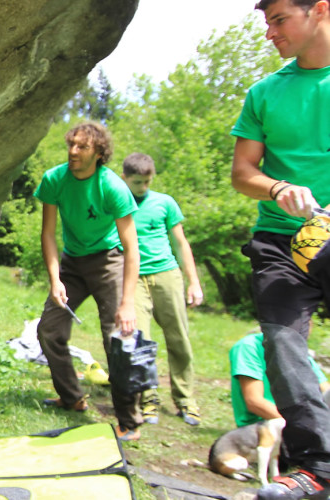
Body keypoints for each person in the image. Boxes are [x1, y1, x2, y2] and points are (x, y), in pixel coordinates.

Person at [229, 0, 330, 497]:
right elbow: (243, 172)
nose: (270, 32)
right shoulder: (265, 93)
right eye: (266, 22)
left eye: (279, 20)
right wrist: (276, 190)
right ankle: (316, 470)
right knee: (282, 344)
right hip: (278, 241)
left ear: (320, 11)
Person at [34, 121, 143, 441]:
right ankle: (72, 397)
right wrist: (55, 280)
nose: (73, 152)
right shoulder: (54, 179)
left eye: (82, 147)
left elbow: (132, 247)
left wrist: (127, 303)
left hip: (109, 260)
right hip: (71, 262)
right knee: (49, 329)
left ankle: (129, 420)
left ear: (98, 153)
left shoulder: (112, 186)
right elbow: (48, 234)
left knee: (117, 337)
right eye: (71, 145)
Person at [120, 153, 204, 427]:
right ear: (125, 179)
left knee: (179, 337)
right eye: (137, 182)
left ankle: (186, 400)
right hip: (135, 278)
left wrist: (193, 281)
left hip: (167, 274)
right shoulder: (117, 203)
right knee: (140, 341)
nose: (142, 187)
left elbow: (181, 243)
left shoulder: (164, 203)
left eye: (147, 182)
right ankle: (148, 400)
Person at [229, 332, 329, 429]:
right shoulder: (250, 346)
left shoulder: (299, 351)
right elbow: (254, 402)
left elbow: (325, 390)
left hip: (302, 420)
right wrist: (303, 424)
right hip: (265, 424)